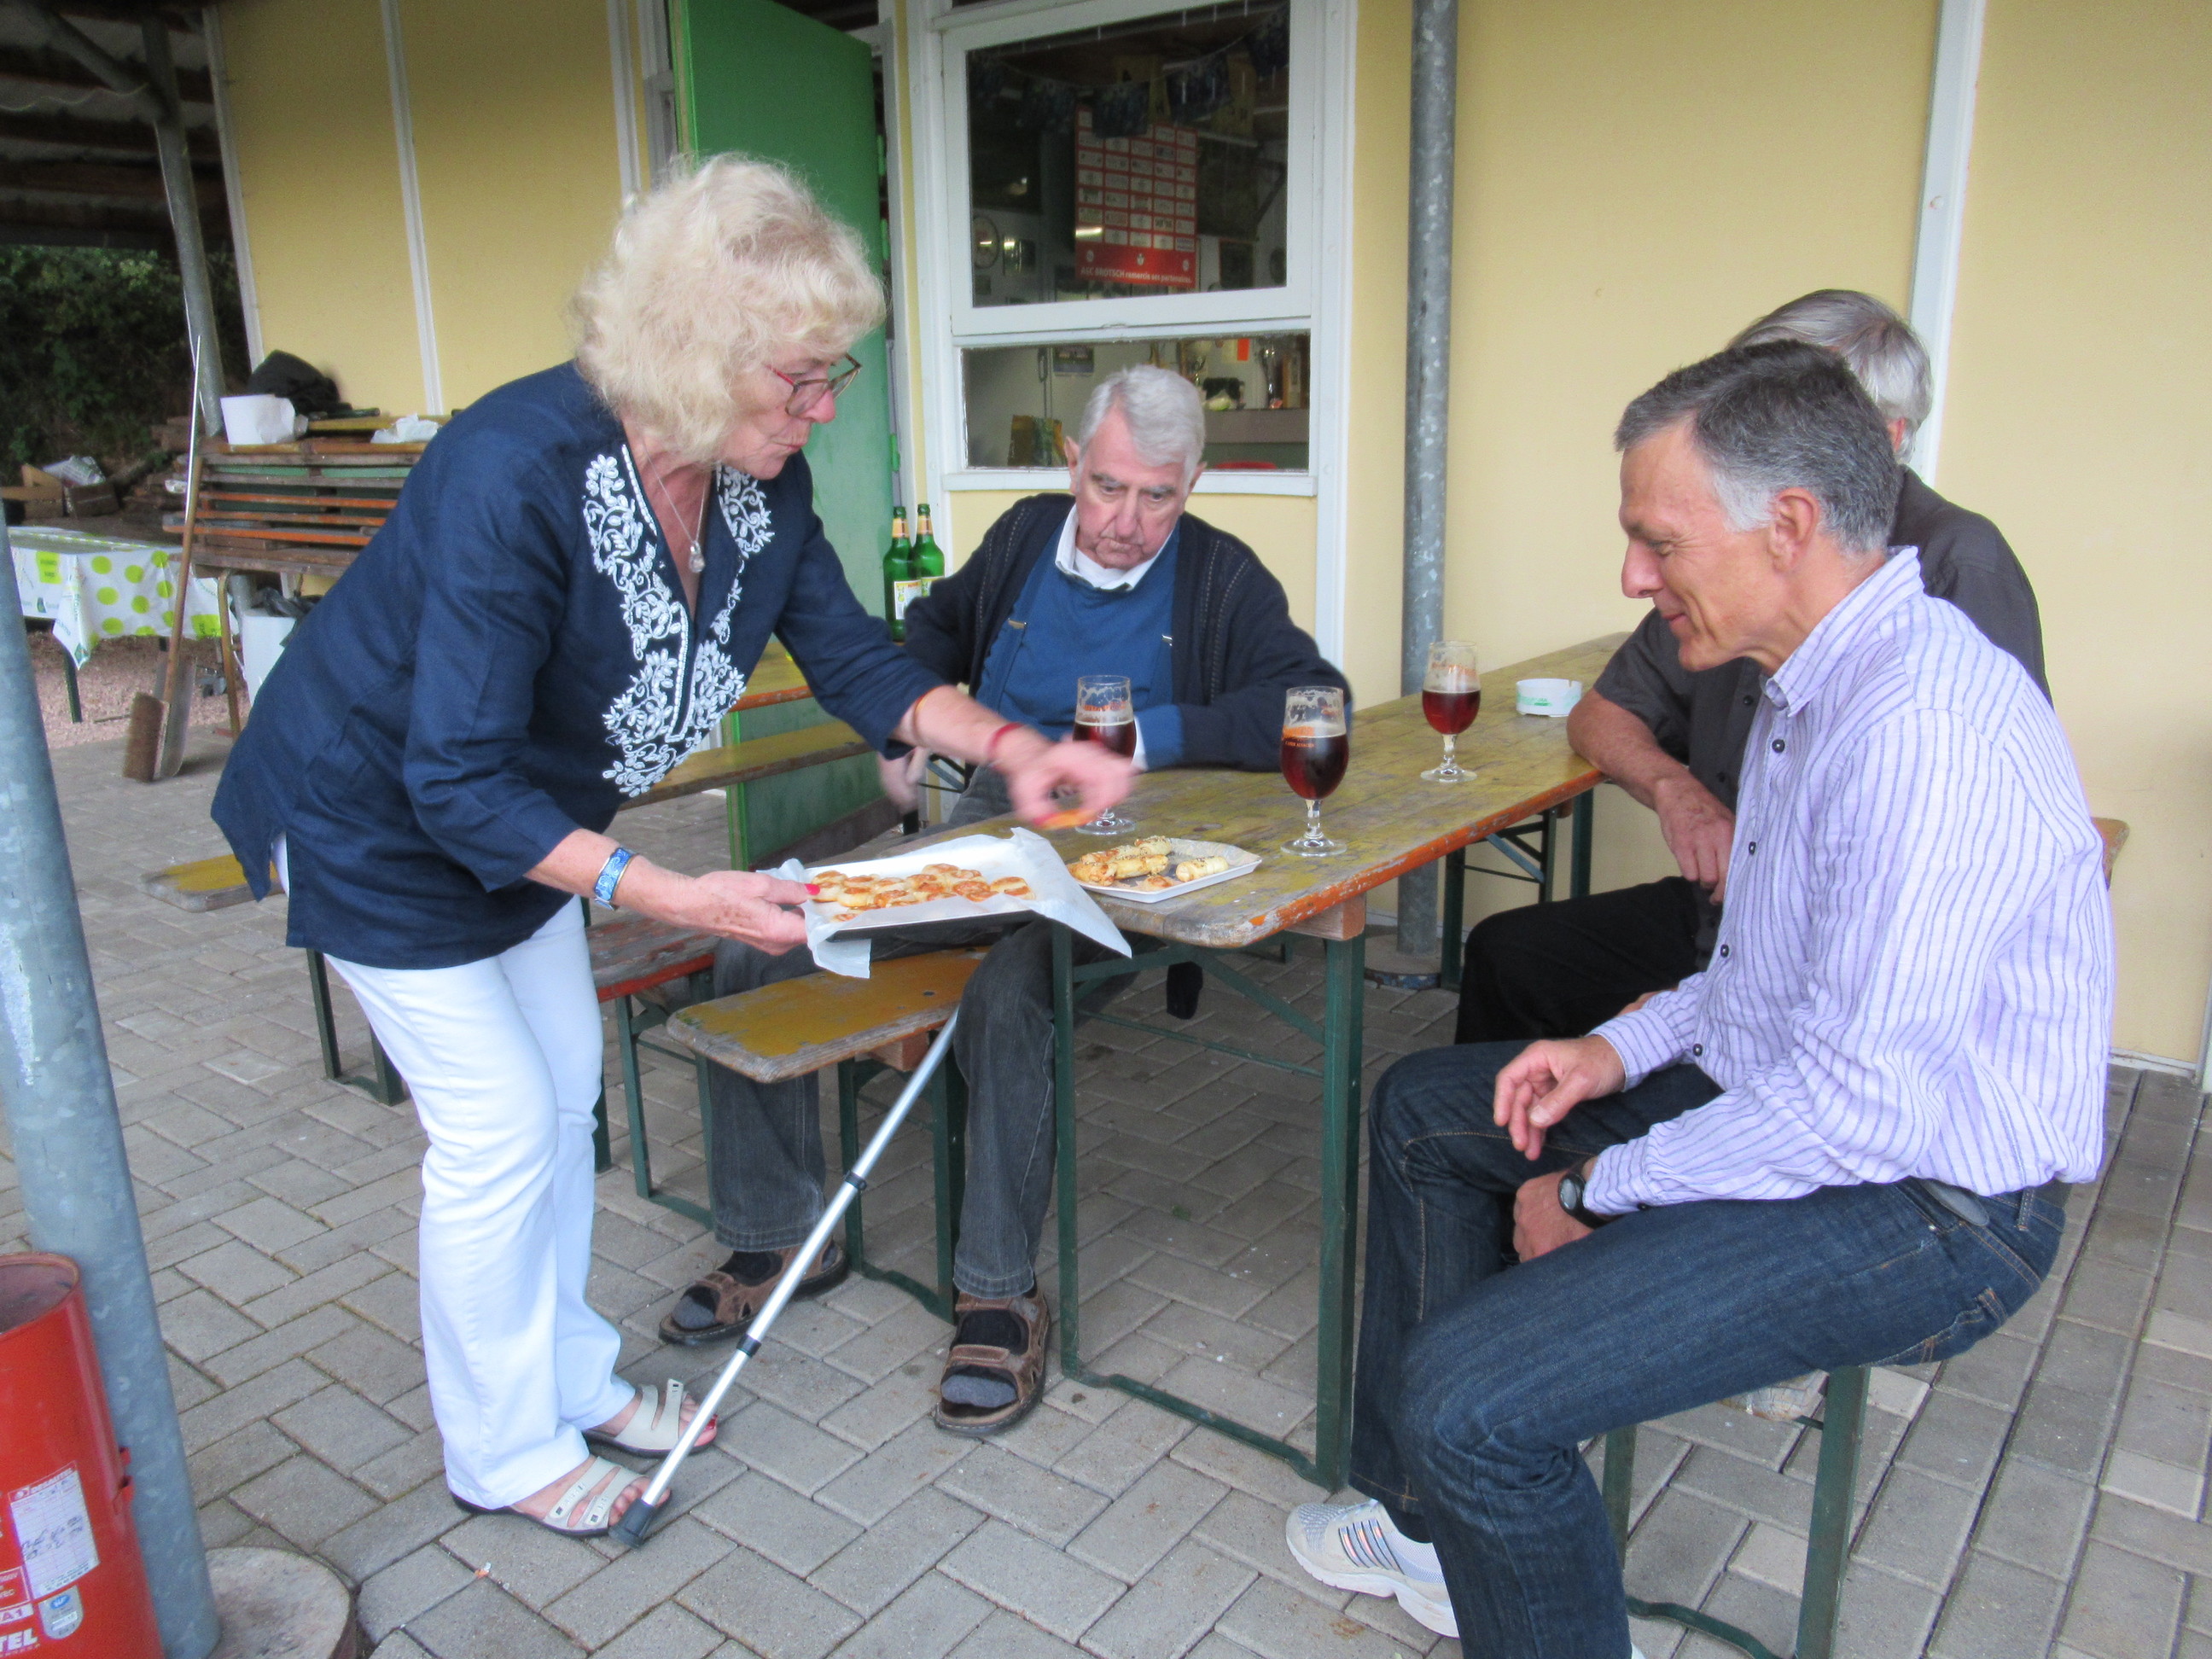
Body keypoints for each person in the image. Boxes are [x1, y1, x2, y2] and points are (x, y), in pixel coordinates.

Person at [210, 156, 1128, 1538]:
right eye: (800, 378)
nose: (826, 407)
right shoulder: (515, 471)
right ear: (693, 353)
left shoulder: (758, 483)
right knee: (497, 1126)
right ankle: (498, 1445)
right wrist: (671, 891)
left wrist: (1012, 747)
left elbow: (855, 659)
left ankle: (568, 1378)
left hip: (527, 821)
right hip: (375, 814)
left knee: (564, 1088)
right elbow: (450, 773)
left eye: (831, 374)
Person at [1283, 341, 2110, 1653]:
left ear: (1789, 526)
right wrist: (1611, 1053)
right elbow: (1750, 984)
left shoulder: (1920, 726)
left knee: (1469, 1403)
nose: (1632, 576)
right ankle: (1431, 1531)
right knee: (1427, 1109)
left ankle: (1464, 1472)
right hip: (1816, 1110)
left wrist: (1595, 1191)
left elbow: (1856, 1111)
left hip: (1938, 1204)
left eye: (1657, 541)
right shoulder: (1807, 685)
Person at [657, 364, 1347, 1437]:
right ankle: (779, 1234)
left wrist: (1142, 739)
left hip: (1122, 851)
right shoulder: (1025, 534)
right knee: (768, 931)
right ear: (1073, 463)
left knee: (1012, 989)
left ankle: (997, 1293)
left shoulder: (1221, 575)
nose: (1125, 522)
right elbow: (933, 629)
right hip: (990, 824)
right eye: (1107, 486)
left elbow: (1315, 699)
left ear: (1193, 485)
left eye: (1157, 496)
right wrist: (903, 722)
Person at [1456, 290, 2047, 1044]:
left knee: (1437, 1092)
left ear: (1885, 437)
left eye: (1796, 404)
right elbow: (1605, 710)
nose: (1752, 434)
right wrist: (1679, 793)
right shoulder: (1727, 566)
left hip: (1835, 958)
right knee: (1509, 957)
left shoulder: (1957, 569)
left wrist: (1667, 1035)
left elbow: (1954, 890)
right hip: (1726, 918)